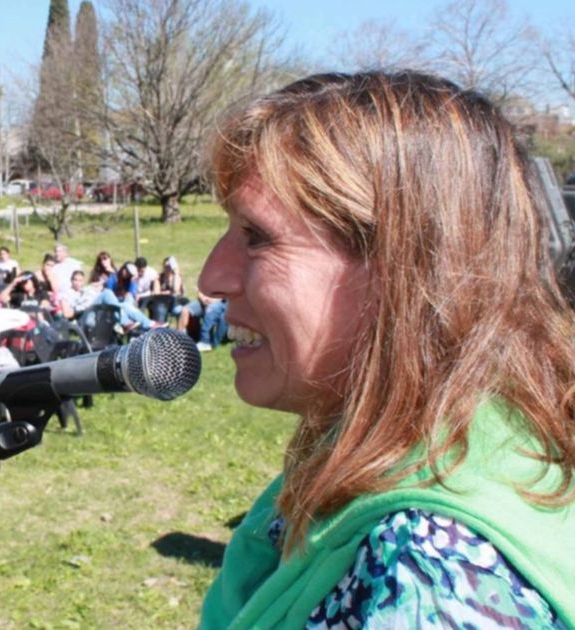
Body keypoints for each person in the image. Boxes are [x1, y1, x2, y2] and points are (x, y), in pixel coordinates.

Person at [197, 71, 575, 628]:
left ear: (404, 270)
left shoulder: (428, 582)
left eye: (258, 236)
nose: (212, 276)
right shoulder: (488, 441)